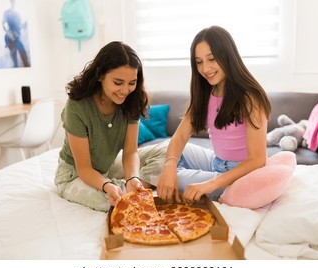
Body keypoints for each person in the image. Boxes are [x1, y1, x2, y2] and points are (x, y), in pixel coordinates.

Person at [157, 26, 272, 204]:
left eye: (211, 59)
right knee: (168, 156)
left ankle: (215, 190)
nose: (205, 68)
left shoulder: (250, 97)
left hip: (240, 175)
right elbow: (179, 136)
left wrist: (210, 184)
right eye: (199, 62)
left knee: (173, 180)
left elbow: (257, 159)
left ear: (227, 56)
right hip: (216, 162)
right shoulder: (206, 93)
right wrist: (169, 166)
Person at [54, 41, 167, 212]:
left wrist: (133, 178)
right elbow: (84, 168)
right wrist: (106, 185)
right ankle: (121, 189)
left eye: (132, 83)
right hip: (75, 174)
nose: (125, 90)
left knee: (168, 152)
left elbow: (130, 152)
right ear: (100, 75)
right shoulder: (77, 106)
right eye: (118, 82)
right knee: (113, 202)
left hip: (106, 166)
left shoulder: (132, 101)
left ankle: (128, 187)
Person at [2, 0, 30, 67]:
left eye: (14, 1)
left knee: (25, 59)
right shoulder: (7, 13)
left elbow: (20, 27)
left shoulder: (18, 13)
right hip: (10, 38)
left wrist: (25, 25)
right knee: (15, 61)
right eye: (12, 1)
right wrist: (9, 33)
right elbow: (3, 24)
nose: (13, 2)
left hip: (18, 38)